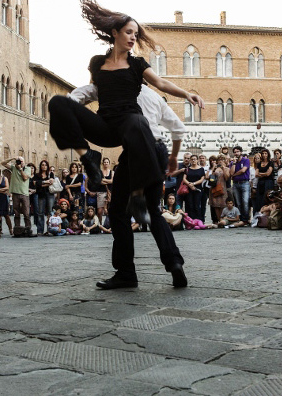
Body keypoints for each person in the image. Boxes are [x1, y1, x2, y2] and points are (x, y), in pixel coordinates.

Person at [48, 0, 203, 229]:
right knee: (58, 103)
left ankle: (138, 195)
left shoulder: (138, 64)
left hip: (130, 121)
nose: (133, 38)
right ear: (115, 32)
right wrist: (74, 105)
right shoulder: (97, 62)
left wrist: (186, 94)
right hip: (105, 125)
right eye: (129, 32)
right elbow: (96, 88)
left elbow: (160, 83)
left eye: (136, 34)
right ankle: (89, 156)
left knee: (138, 123)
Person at [69, 78, 191, 290]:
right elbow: (178, 129)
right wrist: (173, 157)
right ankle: (174, 262)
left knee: (118, 212)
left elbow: (75, 97)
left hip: (136, 150)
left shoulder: (114, 87)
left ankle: (126, 273)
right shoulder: (154, 96)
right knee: (153, 210)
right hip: (158, 149)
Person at [2, 156, 35, 235]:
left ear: (24, 162)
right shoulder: (13, 168)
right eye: (19, 161)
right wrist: (12, 158)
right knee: (16, 212)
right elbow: (3, 163)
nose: (20, 163)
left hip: (24, 193)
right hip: (15, 193)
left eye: (21, 161)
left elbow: (24, 178)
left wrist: (20, 169)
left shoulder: (28, 169)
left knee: (26, 213)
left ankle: (28, 229)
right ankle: (17, 230)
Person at [33, 160, 55, 235]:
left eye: (45, 165)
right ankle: (40, 230)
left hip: (50, 194)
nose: (44, 166)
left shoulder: (50, 174)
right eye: (42, 165)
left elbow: (51, 182)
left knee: (50, 212)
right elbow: (35, 184)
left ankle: (50, 230)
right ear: (40, 166)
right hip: (41, 195)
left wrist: (41, 183)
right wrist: (46, 182)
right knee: (40, 213)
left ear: (48, 166)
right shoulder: (37, 175)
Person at [230, 146, 251, 224]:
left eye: (237, 151)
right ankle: (240, 218)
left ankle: (245, 219)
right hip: (236, 184)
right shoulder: (232, 163)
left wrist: (234, 175)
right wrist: (234, 164)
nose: (236, 153)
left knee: (245, 201)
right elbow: (231, 173)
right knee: (238, 202)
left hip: (244, 183)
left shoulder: (246, 160)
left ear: (241, 152)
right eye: (235, 152)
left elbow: (243, 170)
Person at [208, 155, 230, 224]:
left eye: (222, 159)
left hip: (223, 187)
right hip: (215, 187)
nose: (221, 161)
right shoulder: (215, 168)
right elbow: (209, 177)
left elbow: (227, 178)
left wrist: (223, 168)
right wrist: (213, 168)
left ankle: (222, 219)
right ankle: (218, 220)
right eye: (219, 159)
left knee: (223, 204)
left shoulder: (227, 168)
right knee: (216, 204)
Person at [183, 154, 205, 221]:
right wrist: (189, 184)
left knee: (197, 205)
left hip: (198, 189)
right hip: (189, 189)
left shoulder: (201, 169)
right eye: (192, 159)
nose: (193, 161)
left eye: (194, 159)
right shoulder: (187, 169)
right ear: (190, 160)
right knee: (190, 205)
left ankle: (198, 220)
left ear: (197, 160)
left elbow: (202, 179)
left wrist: (194, 184)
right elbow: (184, 179)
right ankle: (190, 220)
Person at [254, 149, 273, 214]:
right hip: (260, 183)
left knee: (267, 198)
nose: (264, 155)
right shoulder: (259, 164)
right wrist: (264, 174)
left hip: (268, 182)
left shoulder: (270, 163)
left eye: (266, 153)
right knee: (259, 199)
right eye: (263, 153)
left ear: (268, 154)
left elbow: (268, 173)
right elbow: (256, 174)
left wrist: (261, 174)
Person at [95, 158, 114, 224]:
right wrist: (107, 181)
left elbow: (112, 181)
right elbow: (99, 182)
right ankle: (100, 225)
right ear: (102, 164)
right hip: (101, 192)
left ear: (109, 163)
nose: (106, 163)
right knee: (100, 211)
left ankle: (111, 225)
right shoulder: (99, 172)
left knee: (111, 209)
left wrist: (104, 180)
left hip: (110, 192)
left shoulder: (112, 172)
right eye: (104, 162)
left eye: (107, 162)